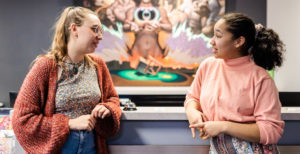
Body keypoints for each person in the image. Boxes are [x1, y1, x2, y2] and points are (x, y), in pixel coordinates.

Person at [12, 6, 121, 154]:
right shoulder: (45, 67)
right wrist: (69, 123)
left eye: (100, 31)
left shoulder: (98, 65)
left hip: (92, 148)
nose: (100, 36)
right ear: (74, 29)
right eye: (95, 29)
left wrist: (108, 108)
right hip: (59, 149)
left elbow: (112, 99)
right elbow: (22, 120)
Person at [185, 13, 285, 153]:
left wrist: (223, 126)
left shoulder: (260, 78)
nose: (211, 41)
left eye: (218, 36)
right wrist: (192, 112)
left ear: (238, 42)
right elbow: (192, 98)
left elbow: (272, 130)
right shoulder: (208, 66)